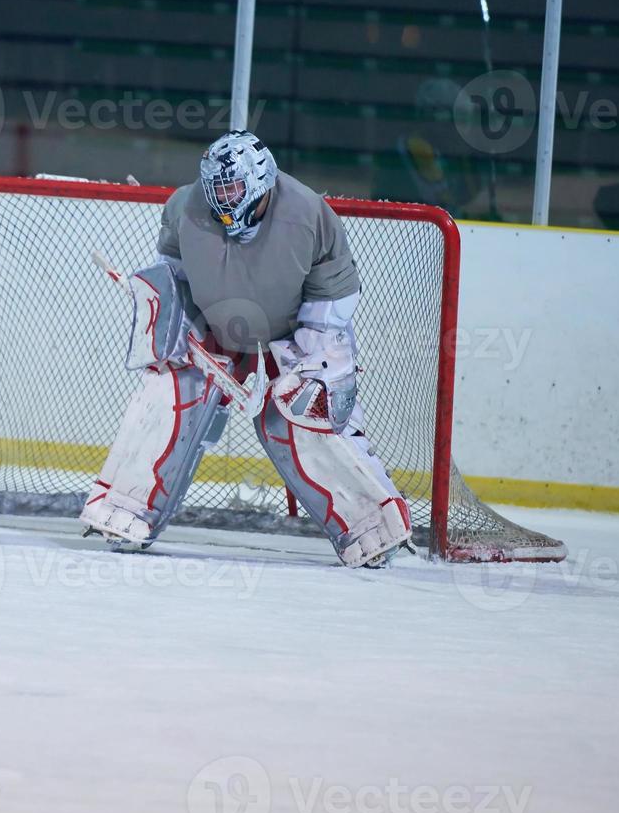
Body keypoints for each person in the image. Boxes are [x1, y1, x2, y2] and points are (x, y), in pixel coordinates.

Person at [78, 129, 414, 568]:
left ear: (261, 182)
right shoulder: (184, 206)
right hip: (216, 332)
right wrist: (176, 325)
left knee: (302, 411)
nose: (222, 198)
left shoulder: (308, 214)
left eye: (233, 187)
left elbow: (331, 303)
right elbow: (175, 276)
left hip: (294, 337)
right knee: (168, 390)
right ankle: (124, 511)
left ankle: (375, 528)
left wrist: (307, 366)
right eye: (216, 187)